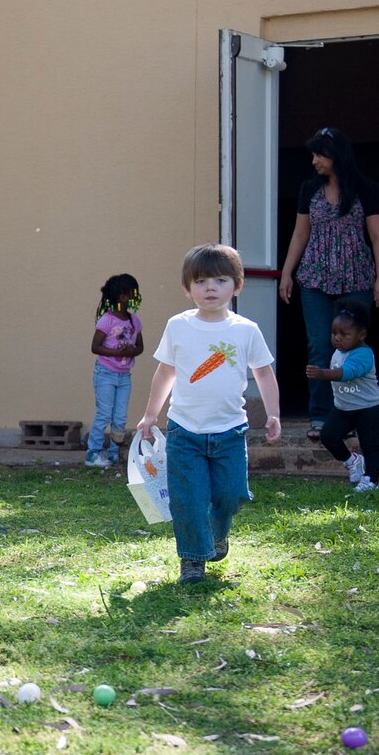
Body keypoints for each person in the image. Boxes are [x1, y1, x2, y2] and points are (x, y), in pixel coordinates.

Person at [134, 244, 281, 584]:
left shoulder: (246, 330)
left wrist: (272, 414)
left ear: (237, 285)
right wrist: (150, 414)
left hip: (230, 433)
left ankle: (218, 532)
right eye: (200, 281)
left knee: (230, 495)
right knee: (187, 499)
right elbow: (165, 373)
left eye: (220, 280)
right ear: (188, 289)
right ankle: (193, 559)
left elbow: (264, 374)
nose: (210, 288)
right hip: (185, 432)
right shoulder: (178, 326)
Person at [277, 128, 379, 440]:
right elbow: (300, 234)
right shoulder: (309, 189)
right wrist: (286, 273)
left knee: (352, 347)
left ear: (337, 156)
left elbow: (378, 237)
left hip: (357, 277)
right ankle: (321, 417)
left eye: (320, 154)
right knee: (320, 346)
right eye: (312, 154)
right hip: (314, 277)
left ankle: (352, 416)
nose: (314, 161)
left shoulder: (367, 189)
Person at [308, 300, 379, 492]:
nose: (337, 338)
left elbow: (346, 373)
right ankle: (352, 461)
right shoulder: (339, 351)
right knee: (328, 436)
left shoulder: (364, 354)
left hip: (368, 408)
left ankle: (371, 479)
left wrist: (322, 374)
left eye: (344, 334)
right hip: (343, 408)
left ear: (361, 335)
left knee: (371, 445)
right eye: (334, 333)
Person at [84, 273, 143, 468]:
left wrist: (131, 351)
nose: (136, 296)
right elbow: (95, 347)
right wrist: (117, 351)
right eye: (133, 293)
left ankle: (114, 454)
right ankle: (93, 453)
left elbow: (140, 347)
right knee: (104, 414)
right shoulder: (107, 321)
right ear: (122, 297)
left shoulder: (134, 321)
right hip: (106, 374)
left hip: (124, 376)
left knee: (120, 417)